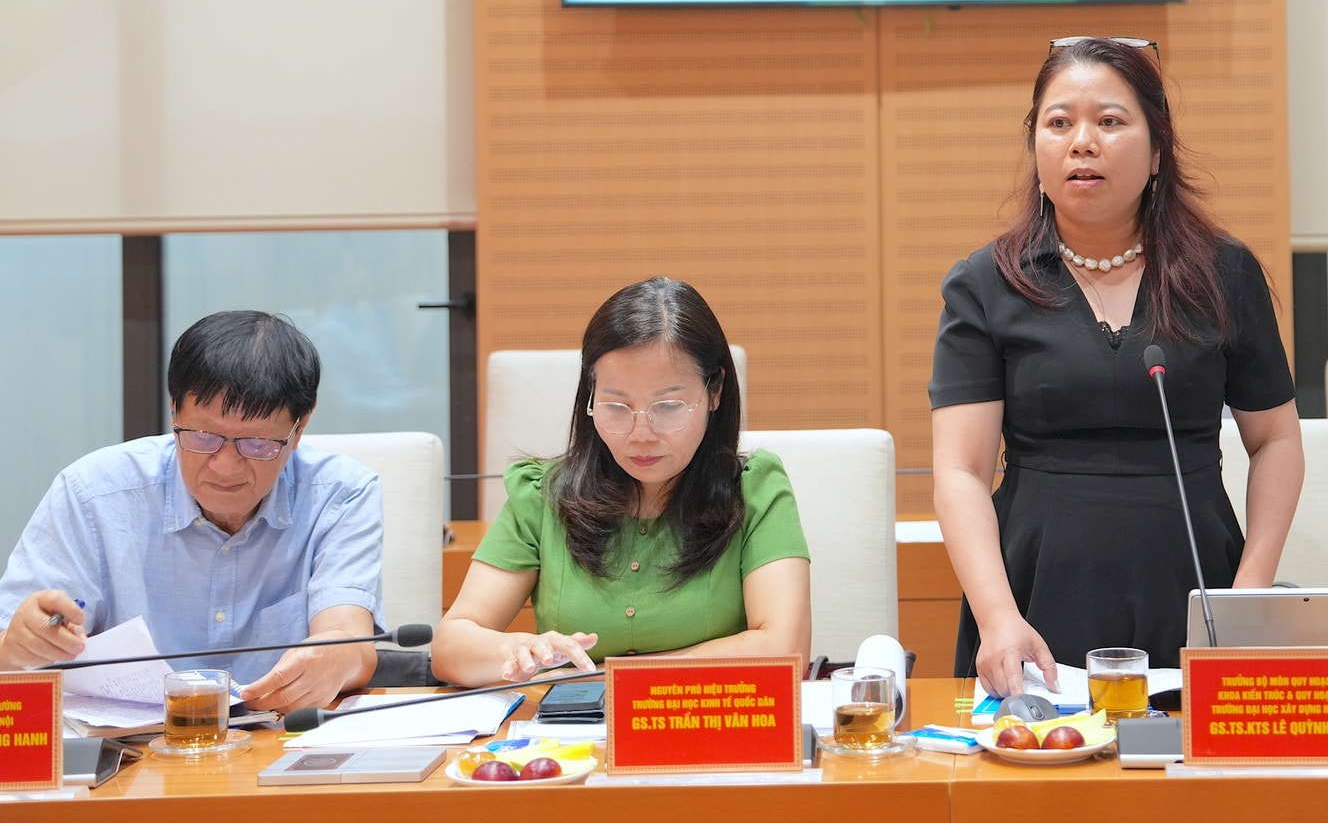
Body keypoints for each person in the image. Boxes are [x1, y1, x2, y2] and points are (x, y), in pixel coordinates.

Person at [929, 36, 1306, 696]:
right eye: (1059, 123)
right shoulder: (985, 284)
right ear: (1035, 149)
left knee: (1194, 760)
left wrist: (1248, 594)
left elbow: (1275, 439)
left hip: (1195, 585)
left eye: (1109, 121)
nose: (1082, 142)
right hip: (1034, 593)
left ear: (1158, 151)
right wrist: (996, 617)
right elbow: (961, 469)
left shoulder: (1223, 273)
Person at [435, 278, 810, 686]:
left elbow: (784, 649)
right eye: (616, 406)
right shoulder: (544, 495)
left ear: (715, 391)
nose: (641, 434)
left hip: (707, 717)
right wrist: (511, 650)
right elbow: (451, 646)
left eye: (668, 406)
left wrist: (605, 679)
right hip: (574, 725)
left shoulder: (754, 491)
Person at [0, 311, 382, 711]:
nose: (226, 466)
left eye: (256, 443)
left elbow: (350, 642)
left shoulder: (342, 495)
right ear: (173, 411)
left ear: (299, 427)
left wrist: (335, 659)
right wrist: (20, 644)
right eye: (203, 437)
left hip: (279, 733)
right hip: (133, 741)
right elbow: (11, 646)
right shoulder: (93, 493)